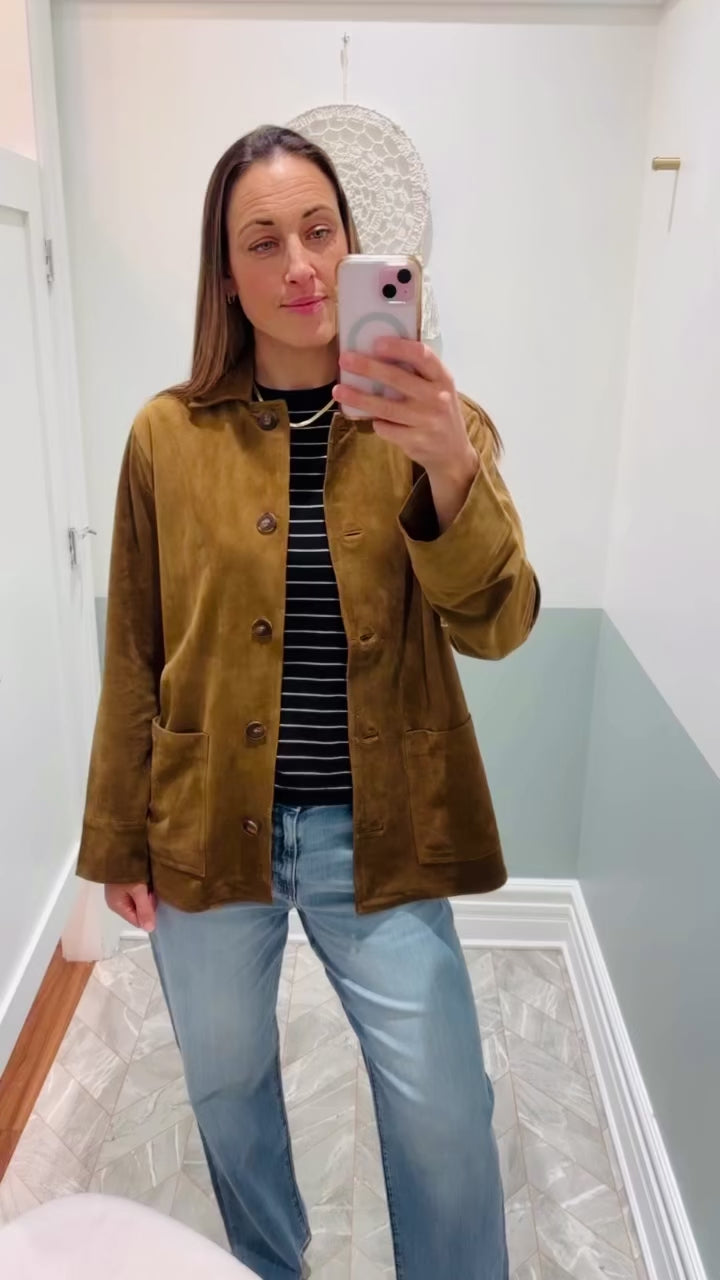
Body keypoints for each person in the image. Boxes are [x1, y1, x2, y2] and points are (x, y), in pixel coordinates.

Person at [76, 124, 539, 1280]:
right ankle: (266, 1264)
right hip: (204, 826)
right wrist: (115, 836)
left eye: (321, 230)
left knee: (445, 1112)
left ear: (355, 246)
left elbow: (499, 623)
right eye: (263, 240)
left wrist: (450, 468)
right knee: (228, 1094)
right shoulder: (165, 436)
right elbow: (135, 647)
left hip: (380, 832)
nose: (299, 265)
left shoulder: (437, 422)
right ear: (225, 275)